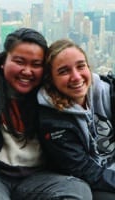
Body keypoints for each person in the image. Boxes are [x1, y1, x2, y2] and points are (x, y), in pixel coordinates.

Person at [0, 28, 92, 200]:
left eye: (36, 65)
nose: (27, 71)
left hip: (39, 175)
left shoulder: (50, 95)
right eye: (19, 61)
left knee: (77, 190)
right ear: (3, 61)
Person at [37, 39, 115, 199]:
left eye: (81, 66)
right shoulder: (51, 120)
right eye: (64, 71)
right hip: (92, 183)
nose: (76, 76)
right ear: (51, 79)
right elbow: (83, 169)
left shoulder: (107, 91)